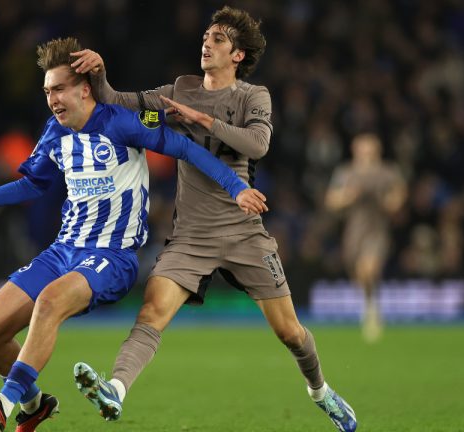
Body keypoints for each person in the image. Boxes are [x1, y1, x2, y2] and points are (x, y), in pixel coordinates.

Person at [0, 37, 268, 432]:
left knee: (50, 301)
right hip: (63, 251)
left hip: (113, 256)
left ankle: (5, 401)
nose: (53, 99)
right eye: (47, 91)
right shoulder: (54, 132)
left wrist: (237, 187)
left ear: (84, 89)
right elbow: (32, 186)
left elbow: (186, 149)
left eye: (59, 89)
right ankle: (33, 403)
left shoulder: (121, 122)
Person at [69, 6, 357, 431]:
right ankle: (115, 389)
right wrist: (99, 76)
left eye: (218, 39)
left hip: (244, 235)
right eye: (206, 35)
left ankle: (321, 392)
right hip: (191, 238)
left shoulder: (252, 97)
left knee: (291, 333)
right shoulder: (182, 88)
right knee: (151, 313)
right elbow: (118, 102)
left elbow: (257, 145)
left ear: (237, 54)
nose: (207, 42)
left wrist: (202, 119)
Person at [325, 133, 407, 342]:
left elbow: (398, 198)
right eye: (363, 150)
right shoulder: (346, 172)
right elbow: (331, 201)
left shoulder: (387, 172)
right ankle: (370, 302)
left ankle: (372, 310)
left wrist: (388, 202)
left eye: (370, 151)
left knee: (368, 268)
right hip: (354, 232)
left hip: (377, 230)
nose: (366, 155)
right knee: (359, 275)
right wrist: (348, 197)